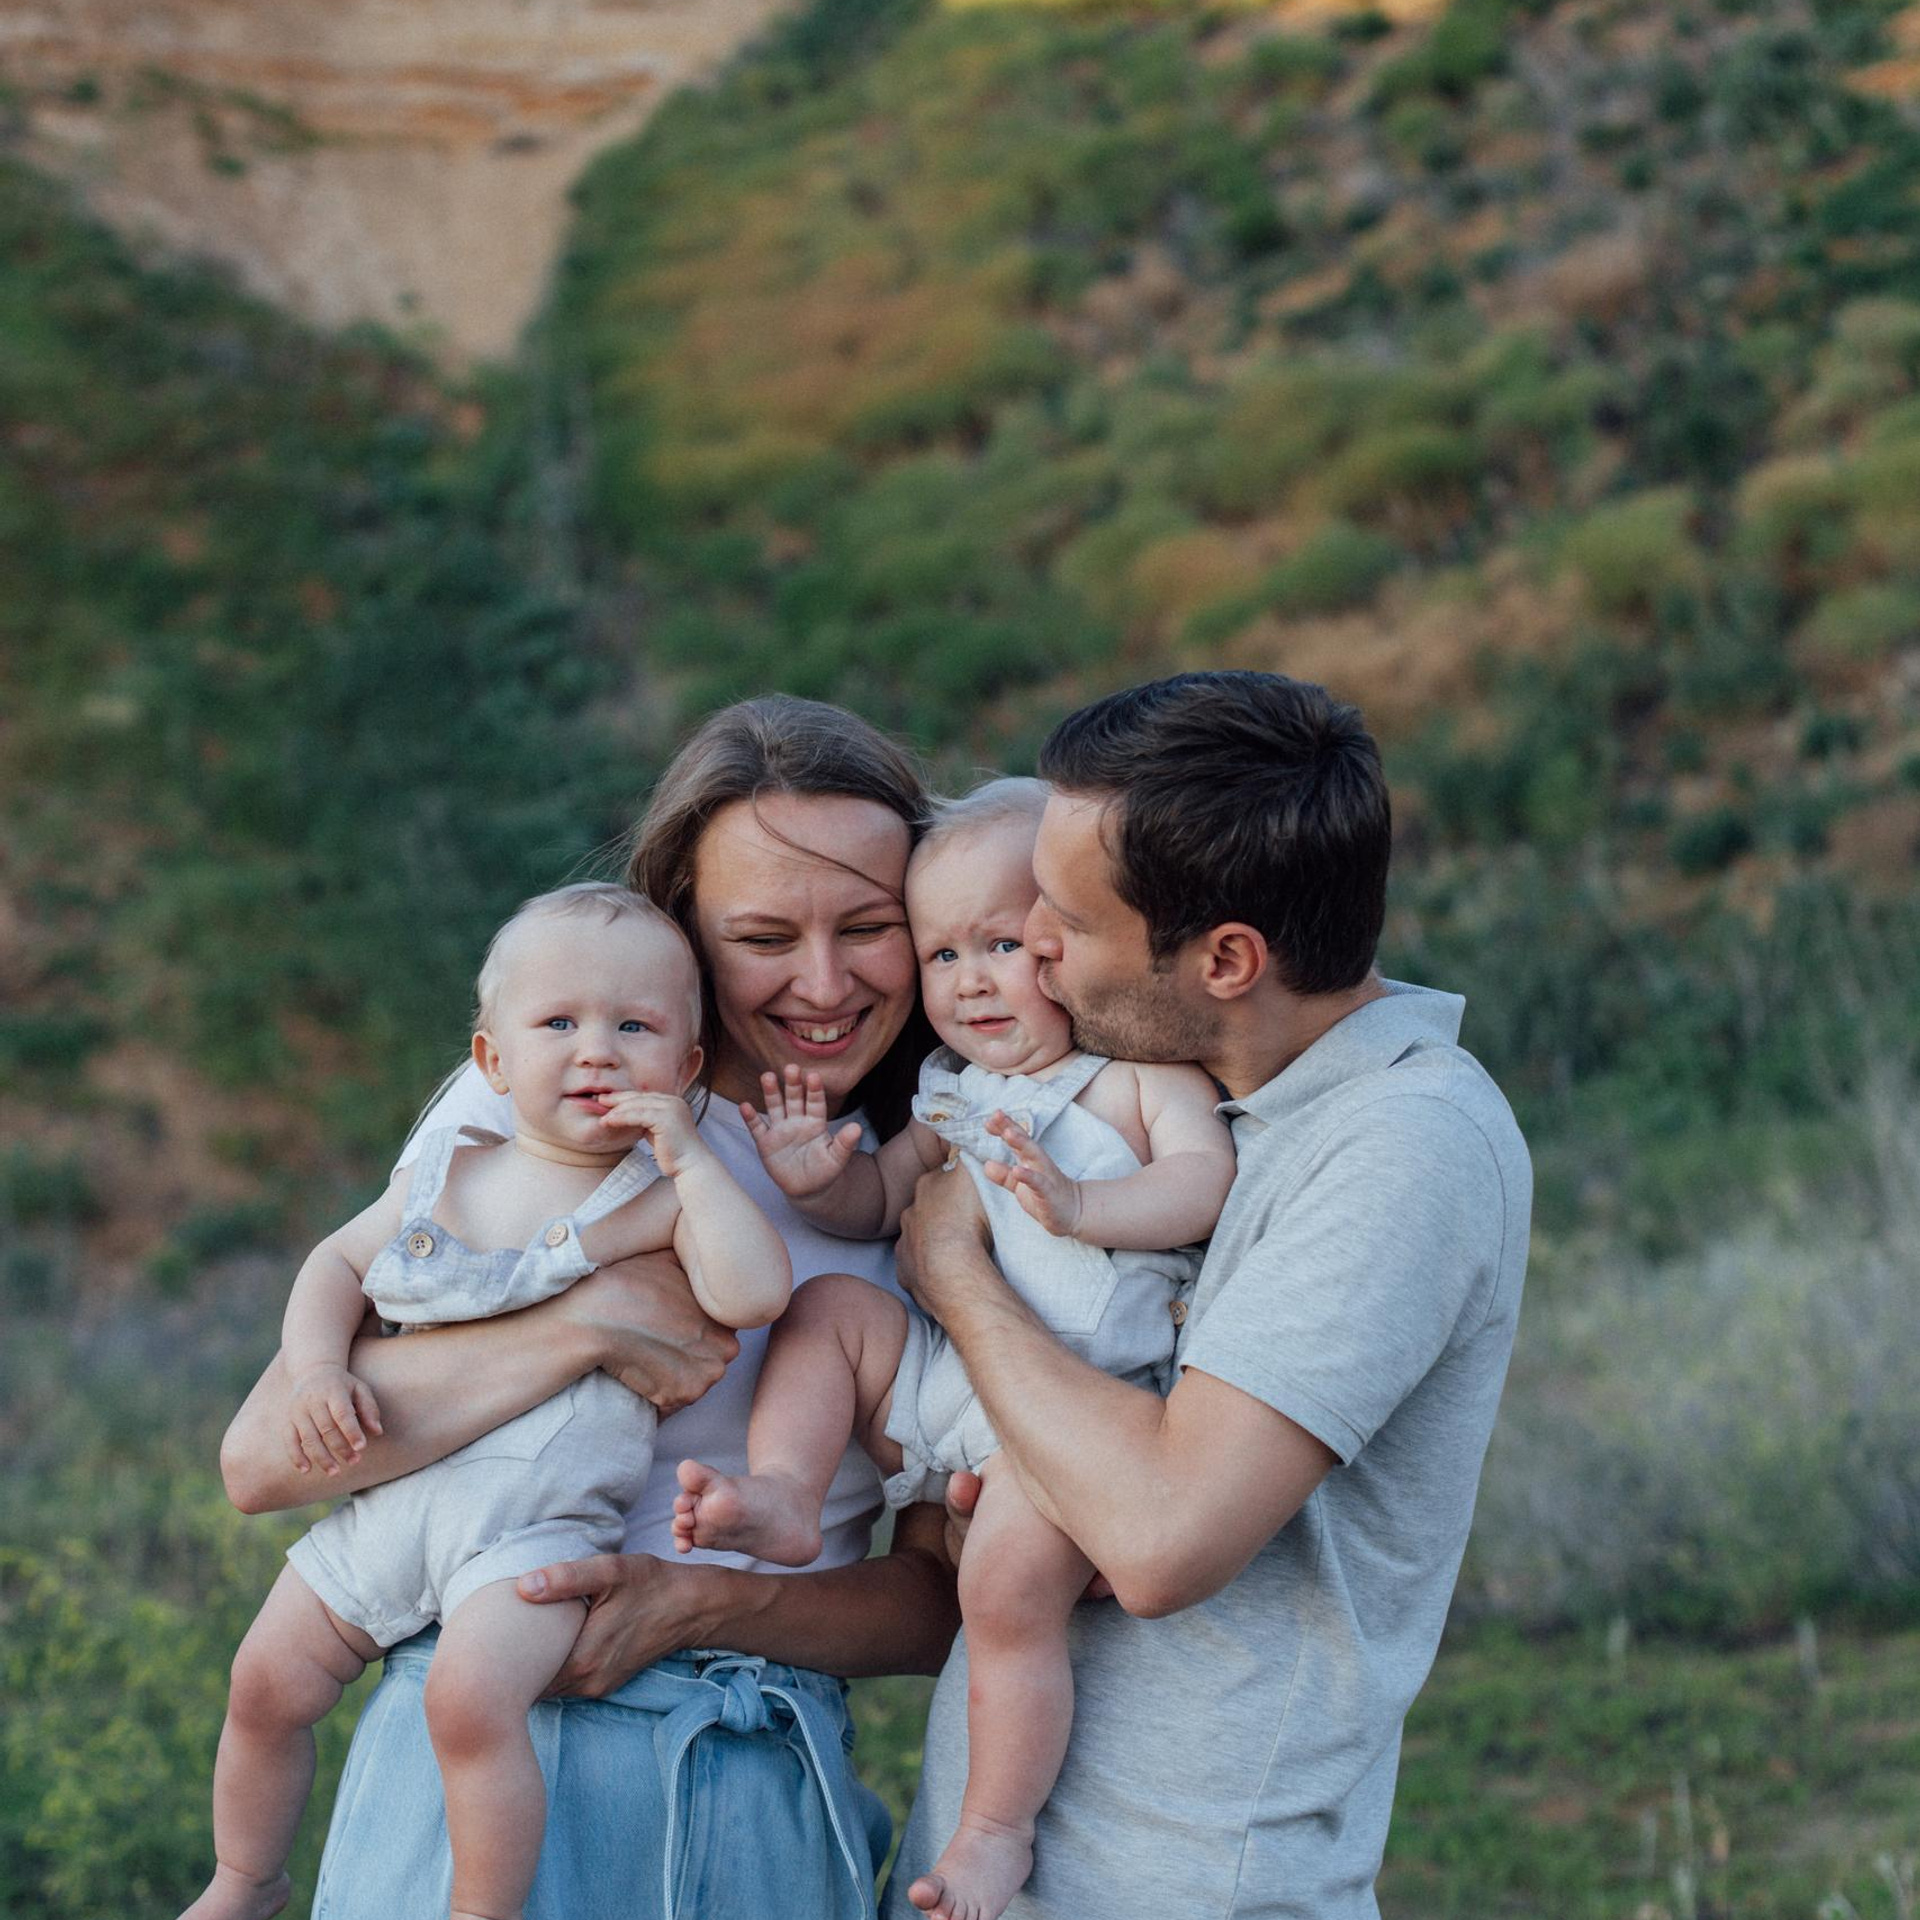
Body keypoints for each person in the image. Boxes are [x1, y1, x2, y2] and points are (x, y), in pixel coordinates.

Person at [215, 696, 958, 1919]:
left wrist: (716, 1602)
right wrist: (584, 1327)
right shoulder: (539, 1112)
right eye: (764, 936)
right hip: (476, 1725)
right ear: (686, 935)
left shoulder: (947, 1170)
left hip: (749, 1759)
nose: (823, 983)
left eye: (870, 926)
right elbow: (262, 1463)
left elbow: (940, 1605)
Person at [883, 671, 1533, 1920]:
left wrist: (957, 1279)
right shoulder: (1188, 1094)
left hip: (1182, 1886)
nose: (1034, 944)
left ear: (1226, 958)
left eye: (1067, 918)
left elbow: (1163, 1537)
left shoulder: (1404, 1146)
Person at [673, 778, 1236, 1920]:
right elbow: (883, 1205)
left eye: (1004, 945)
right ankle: (784, 1495)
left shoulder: (1138, 1081)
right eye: (941, 955)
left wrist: (1082, 1206)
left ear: (1074, 945)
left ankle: (992, 1832)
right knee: (831, 1309)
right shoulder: (950, 1094)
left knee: (1005, 1594)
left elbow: (1201, 1182)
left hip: (1074, 1413)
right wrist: (817, 1182)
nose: (971, 980)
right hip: (948, 1380)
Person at [182, 884, 792, 1920]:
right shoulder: (442, 1175)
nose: (596, 1051)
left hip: (532, 1532)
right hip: (391, 1512)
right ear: (492, 1061)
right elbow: (335, 1265)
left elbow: (753, 1293)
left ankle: (481, 1909)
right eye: (557, 1023)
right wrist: (319, 1368)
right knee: (264, 1683)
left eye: (634, 1028)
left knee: (469, 1704)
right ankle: (246, 1877)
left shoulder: (655, 1203)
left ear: (688, 1068)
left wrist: (693, 1163)